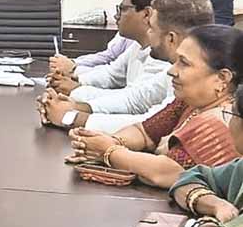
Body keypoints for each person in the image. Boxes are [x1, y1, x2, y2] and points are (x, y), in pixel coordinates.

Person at [67, 24, 242, 188]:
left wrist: (108, 151)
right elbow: (144, 132)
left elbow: (168, 172)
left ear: (222, 78)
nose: (171, 70)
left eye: (184, 63)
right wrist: (110, 141)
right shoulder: (191, 102)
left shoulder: (224, 119)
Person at [41, 0, 213, 133]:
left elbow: (150, 125)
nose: (148, 32)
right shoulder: (177, 69)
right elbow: (135, 99)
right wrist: (73, 106)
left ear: (171, 39)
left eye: (152, 28)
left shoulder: (196, 77)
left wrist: (71, 116)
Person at [168, 34, 243, 227]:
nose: (172, 70)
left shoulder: (212, 123)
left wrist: (205, 222)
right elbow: (188, 178)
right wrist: (214, 204)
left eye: (184, 62)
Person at [47, 0, 174, 104]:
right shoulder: (138, 46)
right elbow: (111, 74)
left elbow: (134, 101)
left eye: (123, 9)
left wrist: (75, 89)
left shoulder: (163, 55)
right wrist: (75, 79)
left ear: (146, 14)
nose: (116, 16)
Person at [49, 34, 134, 76]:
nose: (116, 16)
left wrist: (73, 69)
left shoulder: (137, 46)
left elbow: (115, 74)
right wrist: (72, 63)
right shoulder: (128, 35)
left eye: (122, 9)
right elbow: (108, 56)